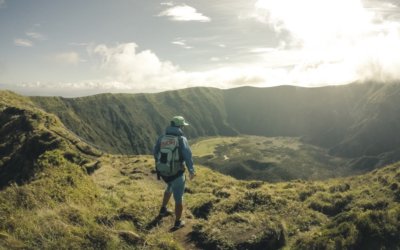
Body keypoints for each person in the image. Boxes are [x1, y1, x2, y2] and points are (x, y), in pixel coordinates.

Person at [153, 115, 195, 229]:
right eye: (183, 125)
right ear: (180, 126)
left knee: (169, 187)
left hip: (164, 171)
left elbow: (155, 152)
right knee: (179, 197)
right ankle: (177, 222)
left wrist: (162, 165)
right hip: (177, 173)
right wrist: (191, 170)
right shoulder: (181, 139)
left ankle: (163, 210)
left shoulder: (162, 137)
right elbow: (188, 156)